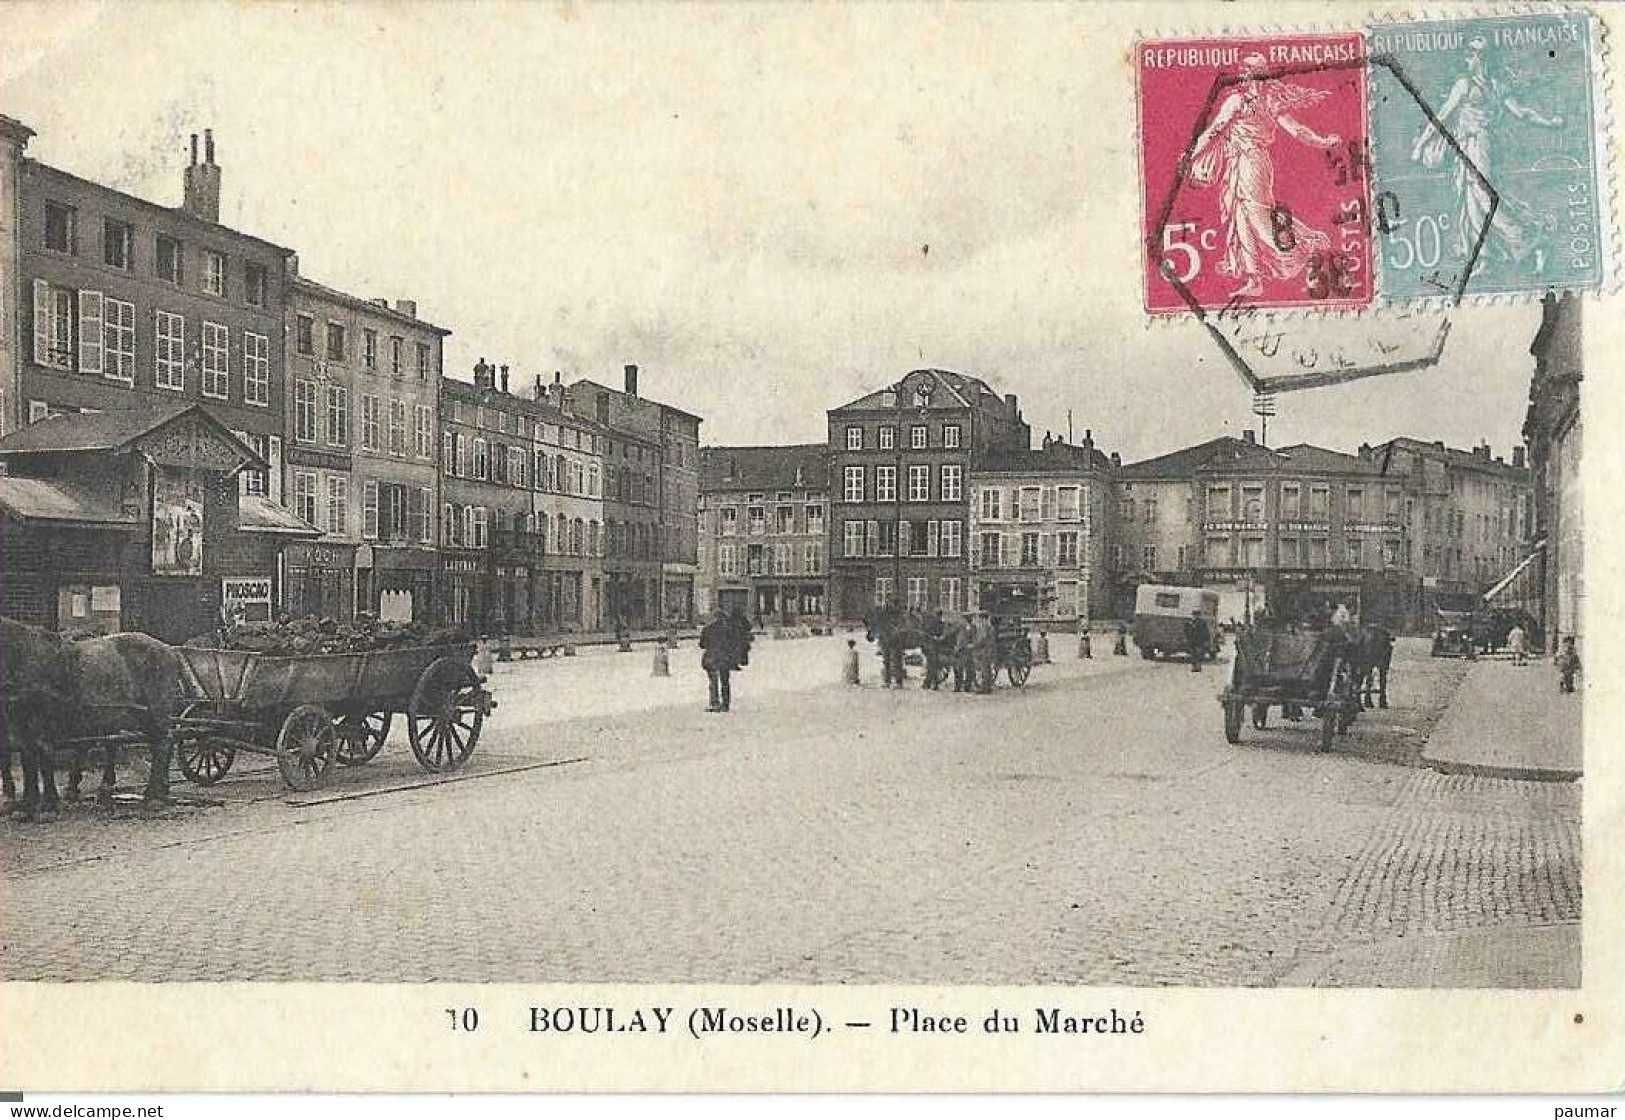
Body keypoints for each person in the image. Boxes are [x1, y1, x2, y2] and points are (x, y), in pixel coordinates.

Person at [1185, 52, 1342, 299]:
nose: (1244, 77)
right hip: (1242, 163)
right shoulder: (1261, 101)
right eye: (1244, 72)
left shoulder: (1242, 101)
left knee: (1256, 215)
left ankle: (1303, 244)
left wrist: (1192, 154)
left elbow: (1214, 132)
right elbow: (1296, 130)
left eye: (1248, 72)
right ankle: (1254, 277)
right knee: (1241, 216)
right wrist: (1322, 141)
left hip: (1250, 162)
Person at [699, 612, 735, 712]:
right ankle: (725, 704)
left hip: (711, 657)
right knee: (725, 681)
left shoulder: (707, 629)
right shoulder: (728, 629)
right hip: (725, 658)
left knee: (713, 681)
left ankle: (714, 703)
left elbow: (702, 644)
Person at [922, 610, 947, 690]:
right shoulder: (939, 624)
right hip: (934, 647)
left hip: (934, 647)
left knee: (932, 666)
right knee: (933, 666)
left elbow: (927, 634)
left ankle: (929, 683)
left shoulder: (935, 624)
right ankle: (931, 683)